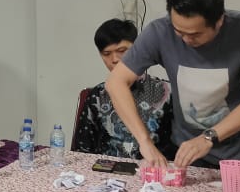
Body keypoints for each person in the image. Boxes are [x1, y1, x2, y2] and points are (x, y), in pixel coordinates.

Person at [106, 0, 240, 169]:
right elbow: (116, 82)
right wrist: (144, 141)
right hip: (189, 153)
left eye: (195, 34)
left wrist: (208, 137)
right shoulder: (159, 31)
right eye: (179, 31)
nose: (186, 39)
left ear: (219, 21)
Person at [73, 18, 172, 159]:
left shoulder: (165, 92)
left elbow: (177, 146)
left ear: (138, 49)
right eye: (106, 54)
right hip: (105, 168)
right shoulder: (97, 97)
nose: (115, 59)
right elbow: (82, 149)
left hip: (153, 168)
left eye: (122, 51)